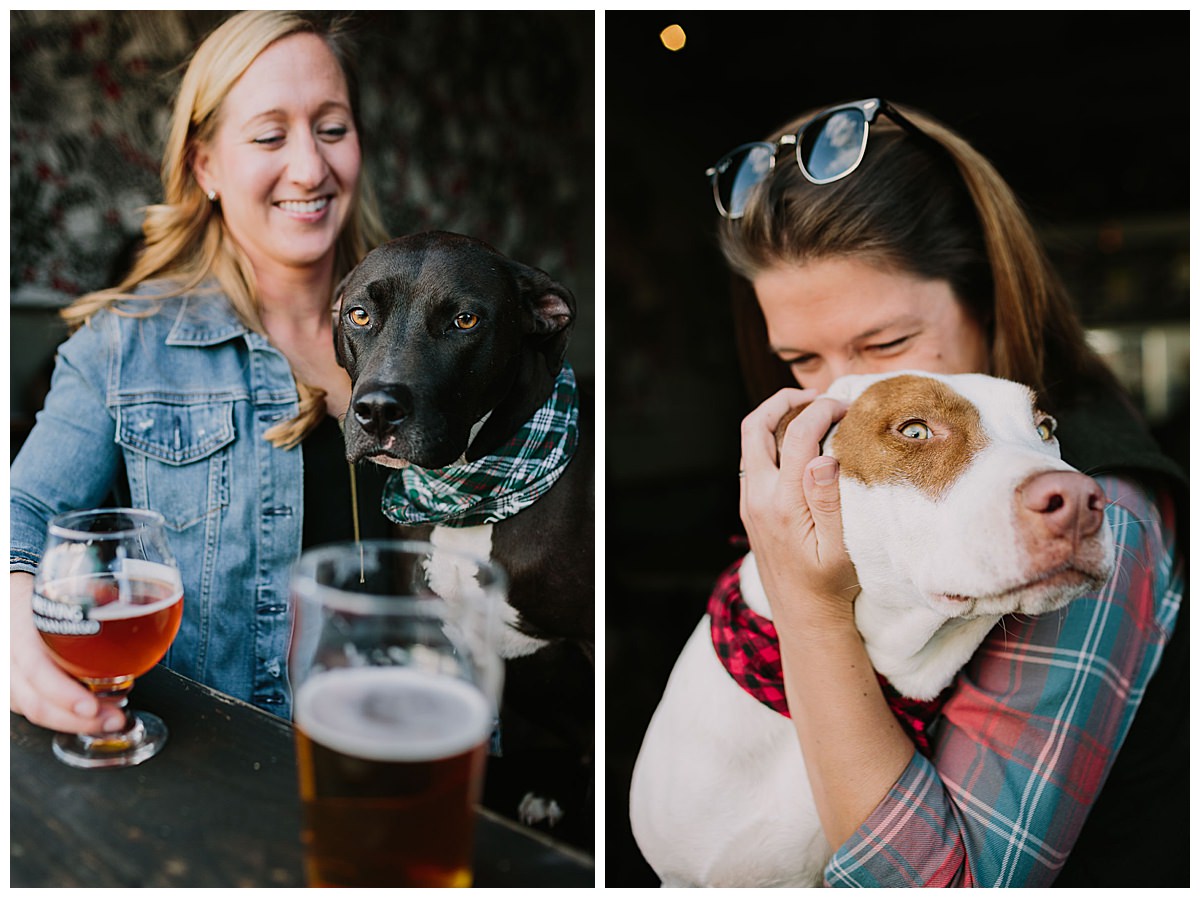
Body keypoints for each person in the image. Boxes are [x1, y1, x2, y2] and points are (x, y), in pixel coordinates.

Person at [709, 98, 1186, 885]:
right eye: (802, 360)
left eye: (889, 344)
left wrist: (810, 612)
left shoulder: (1089, 511)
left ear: (989, 295)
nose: (847, 401)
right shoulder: (865, 486)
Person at [10, 11, 393, 732]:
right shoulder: (125, 344)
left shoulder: (431, 327)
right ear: (205, 165)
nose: (309, 167)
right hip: (230, 781)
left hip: (419, 754)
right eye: (270, 135)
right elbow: (20, 515)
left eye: (333, 128)